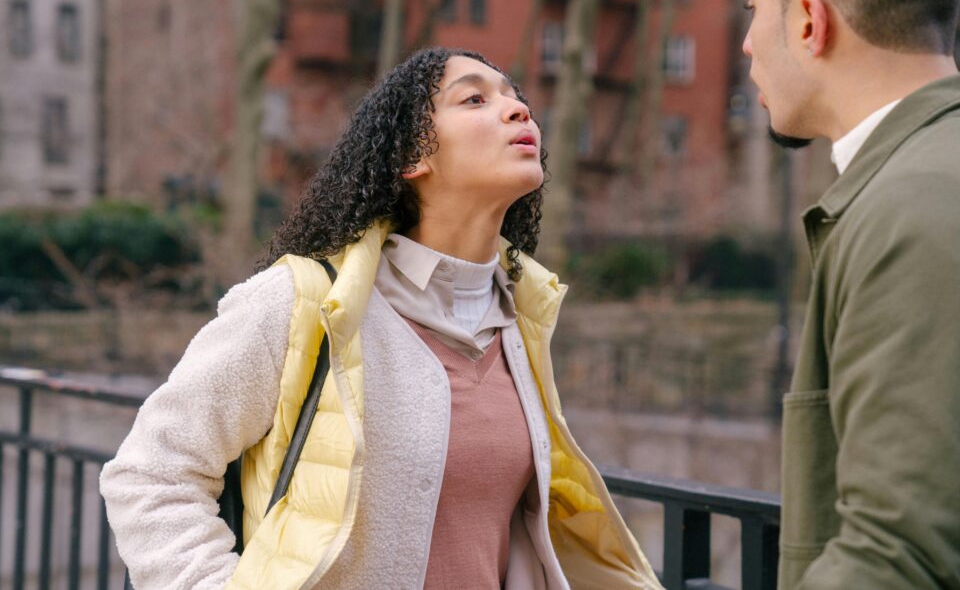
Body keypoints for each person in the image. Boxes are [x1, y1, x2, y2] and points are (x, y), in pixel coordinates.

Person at [100, 47, 660, 590]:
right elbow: (152, 473)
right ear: (412, 158)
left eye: (516, 98)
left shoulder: (521, 321)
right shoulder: (303, 302)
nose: (520, 110)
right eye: (473, 100)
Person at [727, 0, 960, 588]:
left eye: (751, 3)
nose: (746, 42)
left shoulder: (915, 206)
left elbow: (899, 555)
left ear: (807, 22)